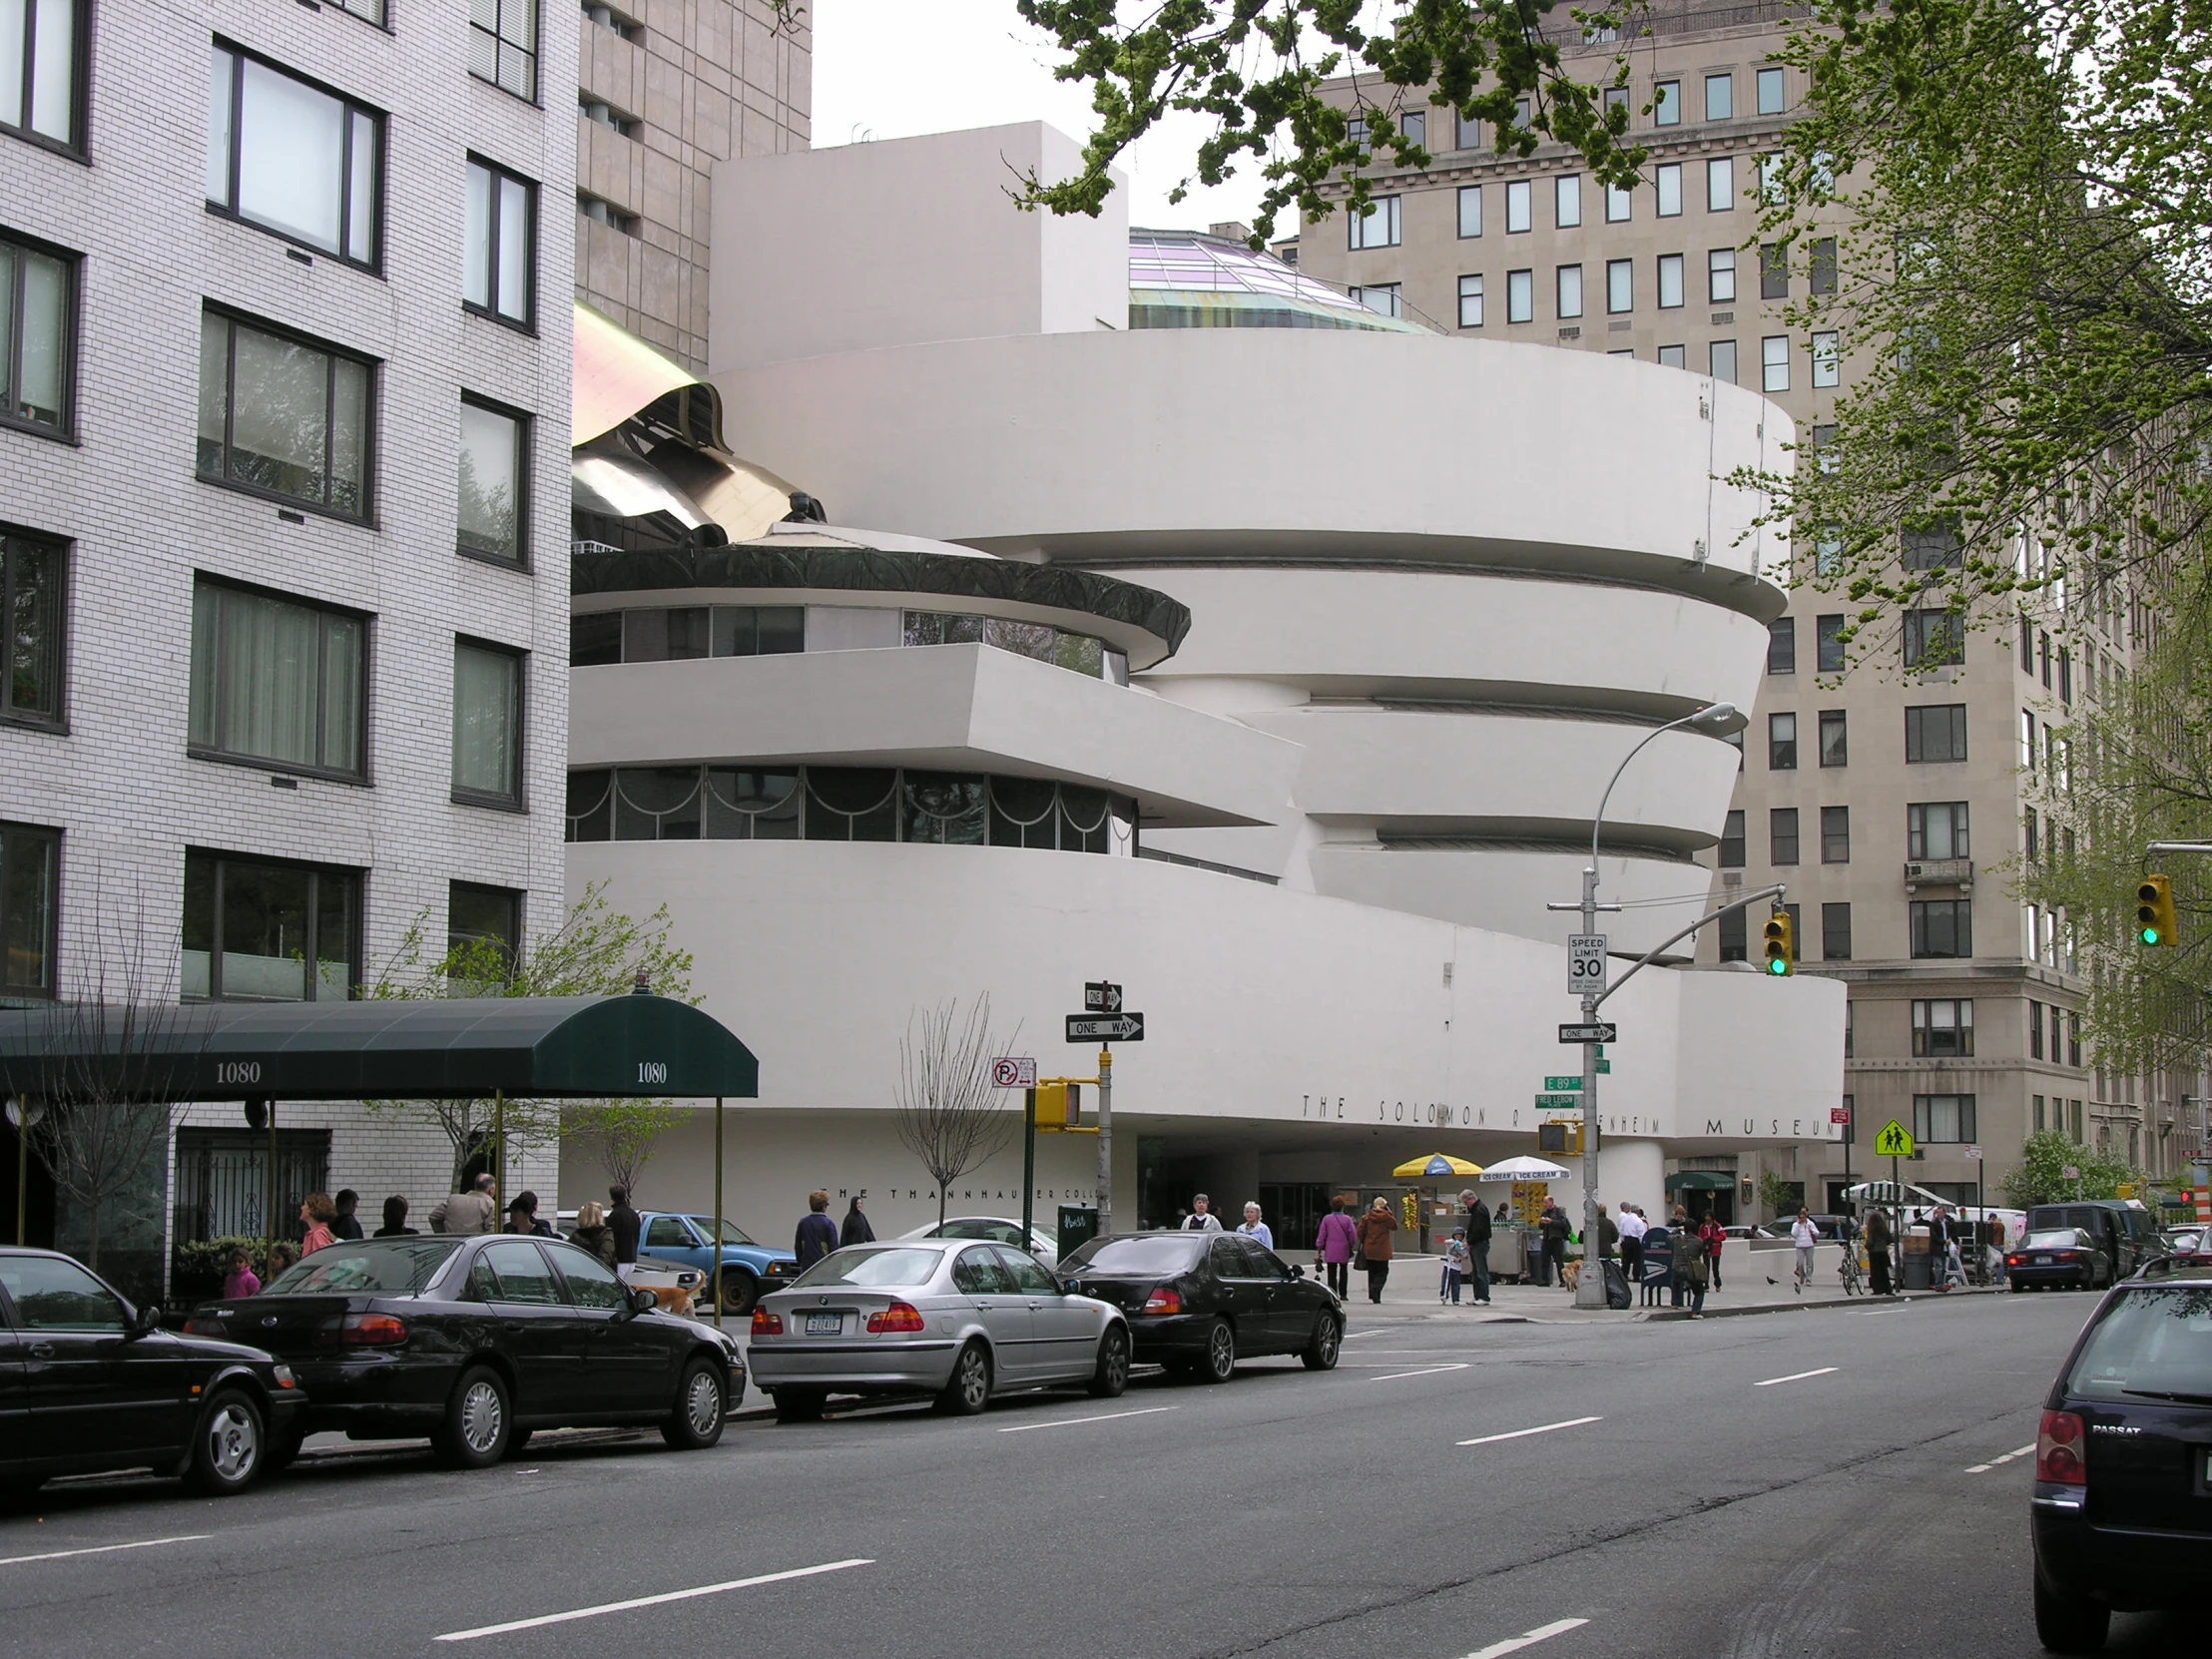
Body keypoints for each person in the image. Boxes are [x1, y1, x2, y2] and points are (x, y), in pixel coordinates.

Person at [1357, 1197, 1398, 1304]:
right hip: (1383, 1248)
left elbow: (1360, 1231)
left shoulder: (1367, 1217)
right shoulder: (1387, 1217)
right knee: (1383, 1271)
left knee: (1372, 1271)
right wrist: (1389, 1212)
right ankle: (1376, 1289)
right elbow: (1395, 1226)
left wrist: (1365, 1241)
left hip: (1369, 1247)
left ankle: (1373, 1294)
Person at [429, 1173, 498, 1236]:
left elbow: (434, 1217)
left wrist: (444, 1235)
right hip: (474, 1246)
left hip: (452, 1244)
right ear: (491, 1190)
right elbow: (491, 1231)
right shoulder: (490, 1204)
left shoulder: (453, 1199)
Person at [1315, 1199, 1357, 1298]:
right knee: (1343, 1271)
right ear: (1342, 1207)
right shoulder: (1347, 1219)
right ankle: (1343, 1294)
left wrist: (1319, 1248)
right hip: (1344, 1248)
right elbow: (1353, 1235)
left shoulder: (1327, 1219)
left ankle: (1333, 1293)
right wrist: (1350, 1245)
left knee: (1331, 1272)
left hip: (1331, 1249)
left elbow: (1322, 1235)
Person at [1461, 1189, 1493, 1306]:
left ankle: (1484, 1296)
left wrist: (1469, 1242)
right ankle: (1478, 1295)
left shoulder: (1479, 1210)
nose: (1466, 1205)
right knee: (1476, 1271)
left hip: (1479, 1243)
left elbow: (1478, 1230)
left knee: (1481, 1271)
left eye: (1466, 1202)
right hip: (1477, 1243)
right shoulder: (1477, 1209)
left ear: (1471, 1199)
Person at [795, 1190, 839, 1269]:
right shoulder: (828, 1224)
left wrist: (801, 1261)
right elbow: (833, 1248)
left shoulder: (803, 1223)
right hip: (823, 1265)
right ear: (824, 1206)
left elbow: (798, 1246)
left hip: (806, 1266)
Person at [571, 1199, 617, 1266]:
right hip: (600, 1273)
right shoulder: (605, 1234)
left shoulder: (576, 1236)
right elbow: (605, 1257)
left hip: (578, 1272)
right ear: (599, 1217)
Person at [1538, 1200, 1571, 1290]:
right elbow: (1540, 1227)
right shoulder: (1544, 1212)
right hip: (1546, 1239)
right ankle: (1545, 1280)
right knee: (1544, 1260)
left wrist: (1551, 1222)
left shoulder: (1558, 1211)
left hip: (1556, 1239)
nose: (1545, 1204)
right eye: (1544, 1202)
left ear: (1551, 1203)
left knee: (1559, 1261)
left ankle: (1563, 1280)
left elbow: (1563, 1223)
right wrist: (1542, 1222)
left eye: (1546, 1202)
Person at [1679, 1221, 1709, 1317]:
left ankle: (1675, 1303)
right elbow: (1702, 1253)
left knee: (1675, 1281)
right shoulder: (1699, 1241)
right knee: (1699, 1292)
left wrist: (1678, 1229)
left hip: (1677, 1269)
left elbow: (1668, 1236)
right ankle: (1695, 1312)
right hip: (1691, 1270)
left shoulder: (1677, 1239)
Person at [608, 1185, 643, 1266]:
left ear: (611, 1197)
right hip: (632, 1258)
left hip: (620, 1259)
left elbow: (612, 1237)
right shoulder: (633, 1214)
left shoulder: (615, 1215)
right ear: (625, 1196)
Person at [1865, 1205, 1894, 1296]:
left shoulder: (1872, 1229)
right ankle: (1887, 1288)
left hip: (1874, 1252)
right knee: (1884, 1271)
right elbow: (1890, 1239)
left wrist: (1867, 1246)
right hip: (1883, 1251)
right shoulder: (1883, 1228)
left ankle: (1878, 1289)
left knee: (1875, 1272)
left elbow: (1870, 1241)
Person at [1791, 1207, 1821, 1294]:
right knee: (1800, 1263)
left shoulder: (1810, 1223)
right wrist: (1798, 1225)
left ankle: (1809, 1279)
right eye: (1801, 1218)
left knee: (1809, 1263)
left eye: (1804, 1217)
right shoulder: (1795, 1225)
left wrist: (1812, 1231)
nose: (1802, 1219)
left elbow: (1817, 1232)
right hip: (1800, 1245)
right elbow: (1794, 1234)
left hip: (1809, 1245)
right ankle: (1802, 1276)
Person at [1618, 1203, 1647, 1291]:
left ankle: (1624, 1275)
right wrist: (1642, 1243)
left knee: (1626, 1259)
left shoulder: (1625, 1219)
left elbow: (1621, 1231)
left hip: (1626, 1240)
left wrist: (1622, 1241)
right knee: (1637, 1260)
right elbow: (1641, 1233)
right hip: (1635, 1241)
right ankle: (1636, 1276)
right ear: (1638, 1211)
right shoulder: (1638, 1221)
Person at [1927, 1205, 1953, 1292]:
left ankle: (1942, 1283)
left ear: (1944, 1213)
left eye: (1940, 1212)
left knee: (1943, 1268)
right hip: (1936, 1248)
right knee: (1939, 1267)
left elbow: (1951, 1232)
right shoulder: (1934, 1223)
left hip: (1944, 1248)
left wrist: (1949, 1239)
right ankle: (1938, 1285)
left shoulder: (1947, 1222)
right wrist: (1944, 1241)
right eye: (1937, 1213)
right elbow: (1934, 1236)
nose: (1939, 1214)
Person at [1698, 1211, 1727, 1292]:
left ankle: (1717, 1284)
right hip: (1706, 1249)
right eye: (1706, 1216)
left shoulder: (1717, 1226)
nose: (1707, 1218)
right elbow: (1699, 1236)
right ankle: (1706, 1285)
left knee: (1715, 1268)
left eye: (1709, 1216)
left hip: (1715, 1249)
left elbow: (1723, 1236)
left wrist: (1714, 1239)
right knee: (1706, 1267)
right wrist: (1705, 1239)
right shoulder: (1702, 1227)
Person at [1441, 1229, 1469, 1305]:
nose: (1458, 1238)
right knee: (1445, 1282)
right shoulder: (1451, 1243)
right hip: (1448, 1265)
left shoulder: (1463, 1247)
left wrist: (1459, 1258)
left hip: (1457, 1268)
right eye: (1456, 1236)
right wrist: (1456, 1243)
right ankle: (1443, 1295)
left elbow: (1466, 1256)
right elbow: (1445, 1241)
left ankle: (1456, 1299)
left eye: (1460, 1237)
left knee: (1456, 1284)